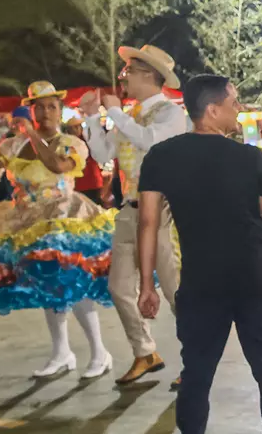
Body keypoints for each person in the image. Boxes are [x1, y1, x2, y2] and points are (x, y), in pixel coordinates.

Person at [136, 74, 262, 434]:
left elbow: (148, 223)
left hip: (202, 280)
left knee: (197, 372)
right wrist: (256, 254)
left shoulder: (161, 157)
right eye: (233, 102)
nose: (238, 110)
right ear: (212, 109)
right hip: (254, 276)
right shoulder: (252, 158)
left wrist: (147, 285)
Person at [0, 82, 114, 379]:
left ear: (60, 111)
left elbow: (57, 165)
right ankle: (62, 352)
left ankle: (99, 351)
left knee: (75, 281)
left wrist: (31, 134)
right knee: (48, 285)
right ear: (30, 111)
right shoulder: (14, 144)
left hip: (64, 218)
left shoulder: (70, 142)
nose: (45, 112)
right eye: (39, 107)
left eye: (52, 107)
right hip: (28, 219)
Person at [81, 44, 188, 386]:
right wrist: (91, 119)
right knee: (118, 287)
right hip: (129, 210)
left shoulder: (171, 114)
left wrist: (114, 113)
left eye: (128, 72)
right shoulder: (130, 115)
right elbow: (102, 154)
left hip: (163, 212)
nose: (122, 78)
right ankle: (144, 351)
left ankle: (196, 358)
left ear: (149, 75)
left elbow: (150, 143)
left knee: (174, 289)